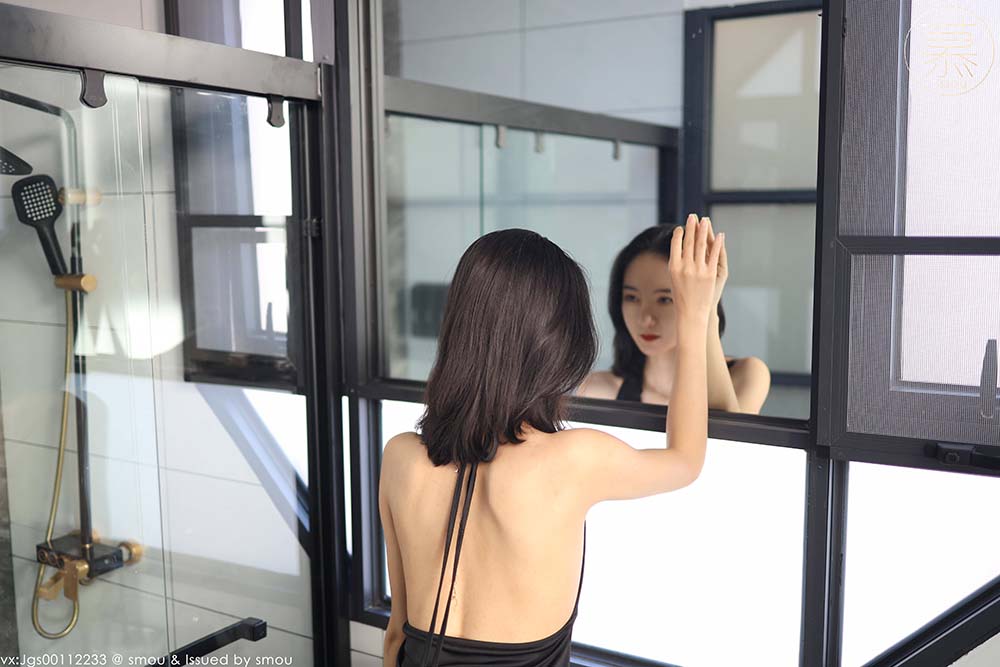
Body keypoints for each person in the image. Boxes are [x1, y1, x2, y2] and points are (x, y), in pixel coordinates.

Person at [379, 215, 724, 666]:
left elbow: (396, 634)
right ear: (561, 341)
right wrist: (696, 315)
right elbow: (686, 459)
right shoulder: (574, 459)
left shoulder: (400, 456)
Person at [577, 221, 770, 414]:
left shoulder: (747, 374)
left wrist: (707, 307)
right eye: (632, 297)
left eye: (664, 299)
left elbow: (725, 430)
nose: (646, 319)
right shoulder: (598, 390)